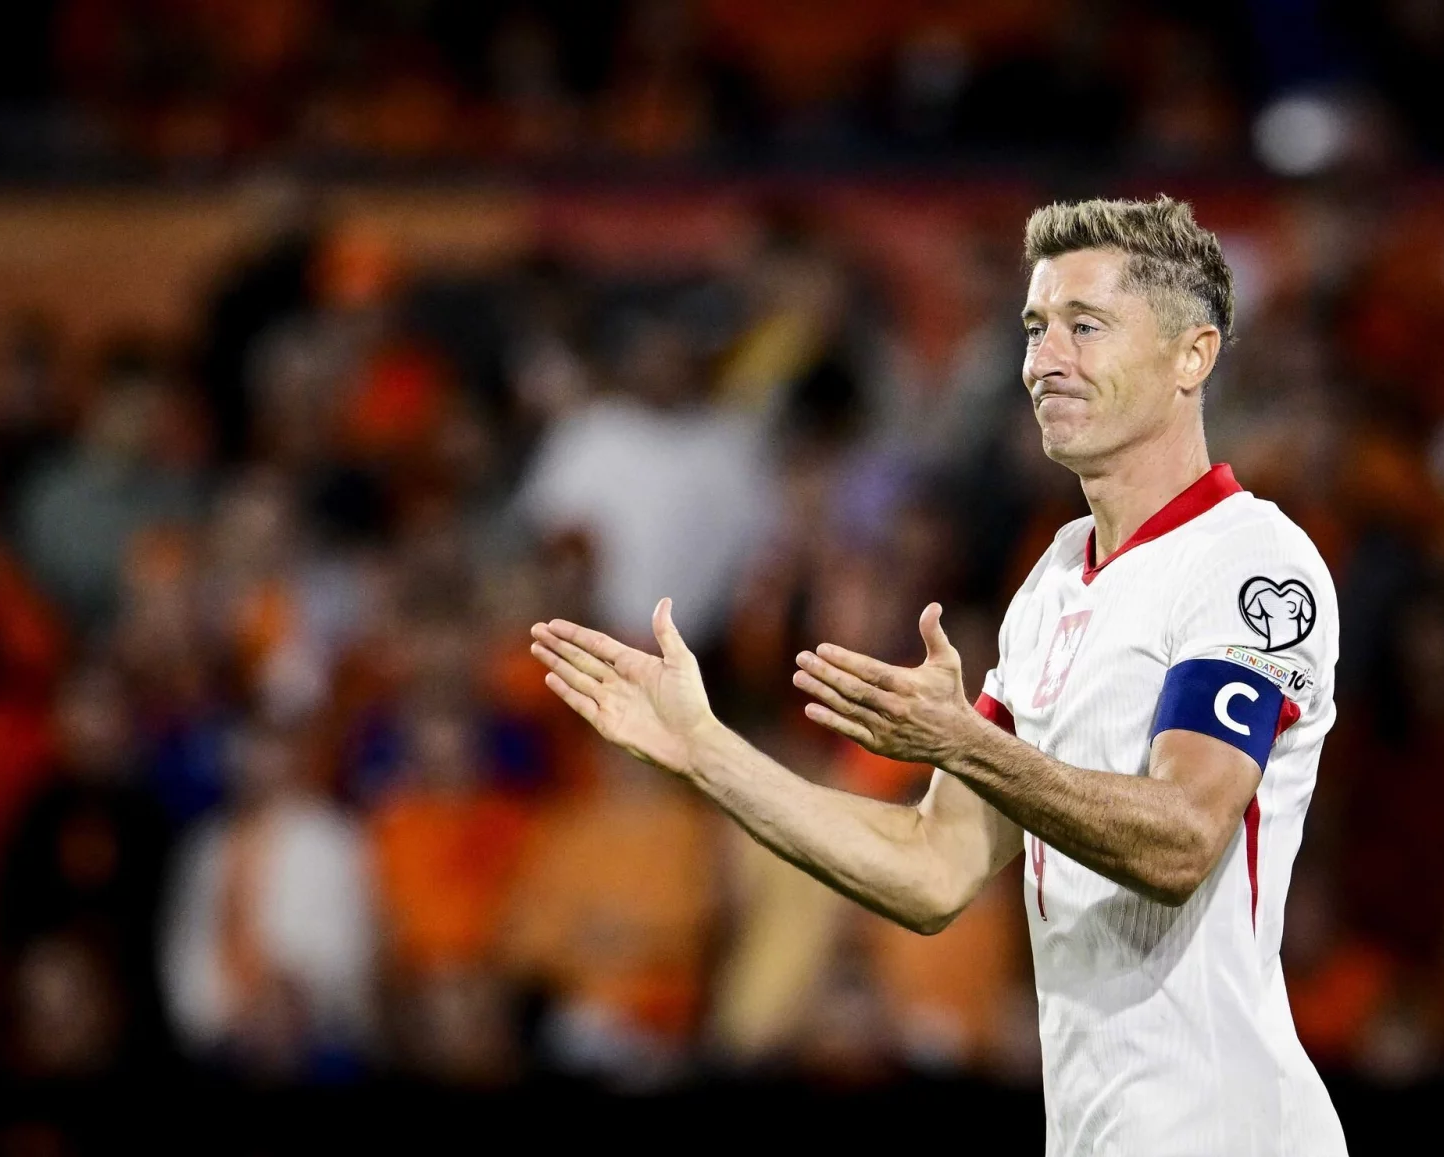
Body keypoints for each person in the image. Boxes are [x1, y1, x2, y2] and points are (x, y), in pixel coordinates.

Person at [531, 197, 1346, 1155]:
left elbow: (1182, 838)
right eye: (1036, 328)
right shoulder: (1052, 585)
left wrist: (964, 742)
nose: (1044, 360)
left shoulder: (1249, 564)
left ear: (1192, 356)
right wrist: (706, 752)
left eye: (1086, 327)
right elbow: (935, 866)